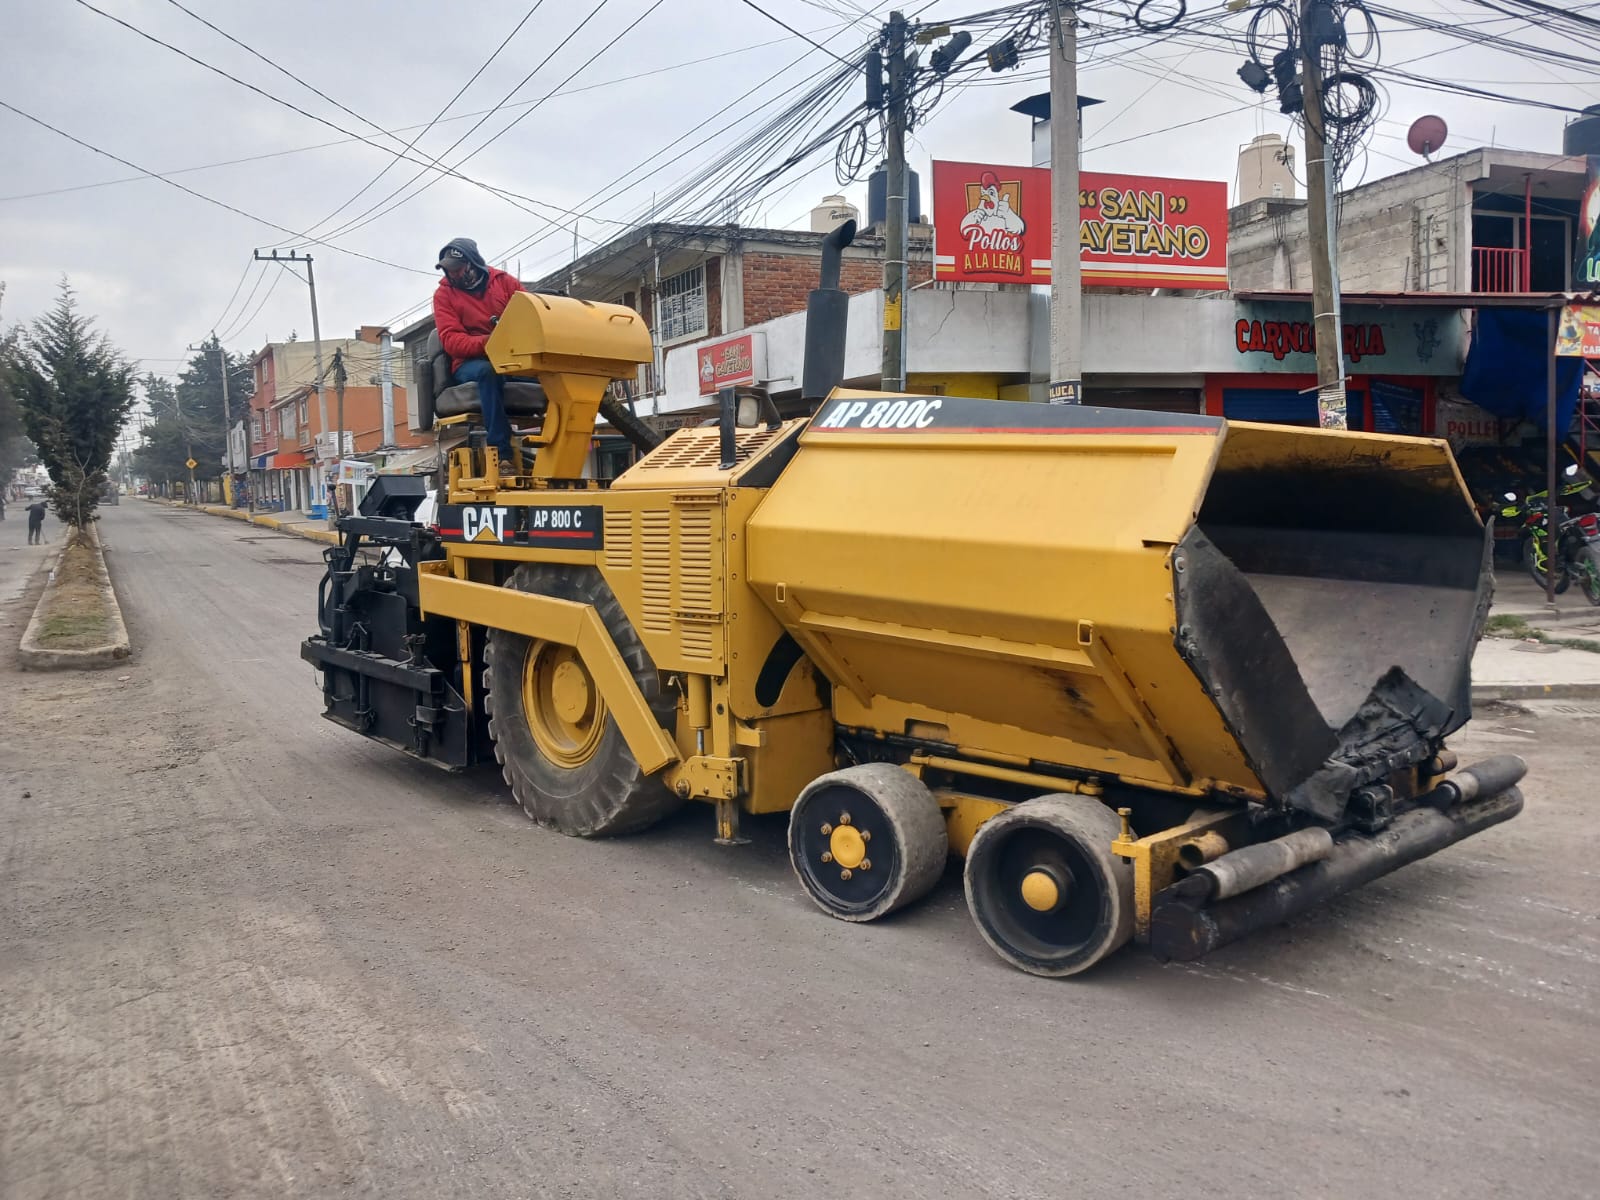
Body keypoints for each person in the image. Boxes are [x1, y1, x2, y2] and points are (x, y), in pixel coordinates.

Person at [432, 237, 525, 460]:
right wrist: (488, 343)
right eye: (448, 270)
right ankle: (502, 454)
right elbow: (452, 341)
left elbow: (530, 312)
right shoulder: (444, 295)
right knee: (488, 372)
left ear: (473, 263)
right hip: (468, 364)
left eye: (457, 269)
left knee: (553, 377)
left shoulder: (504, 283)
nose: (452, 274)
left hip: (511, 359)